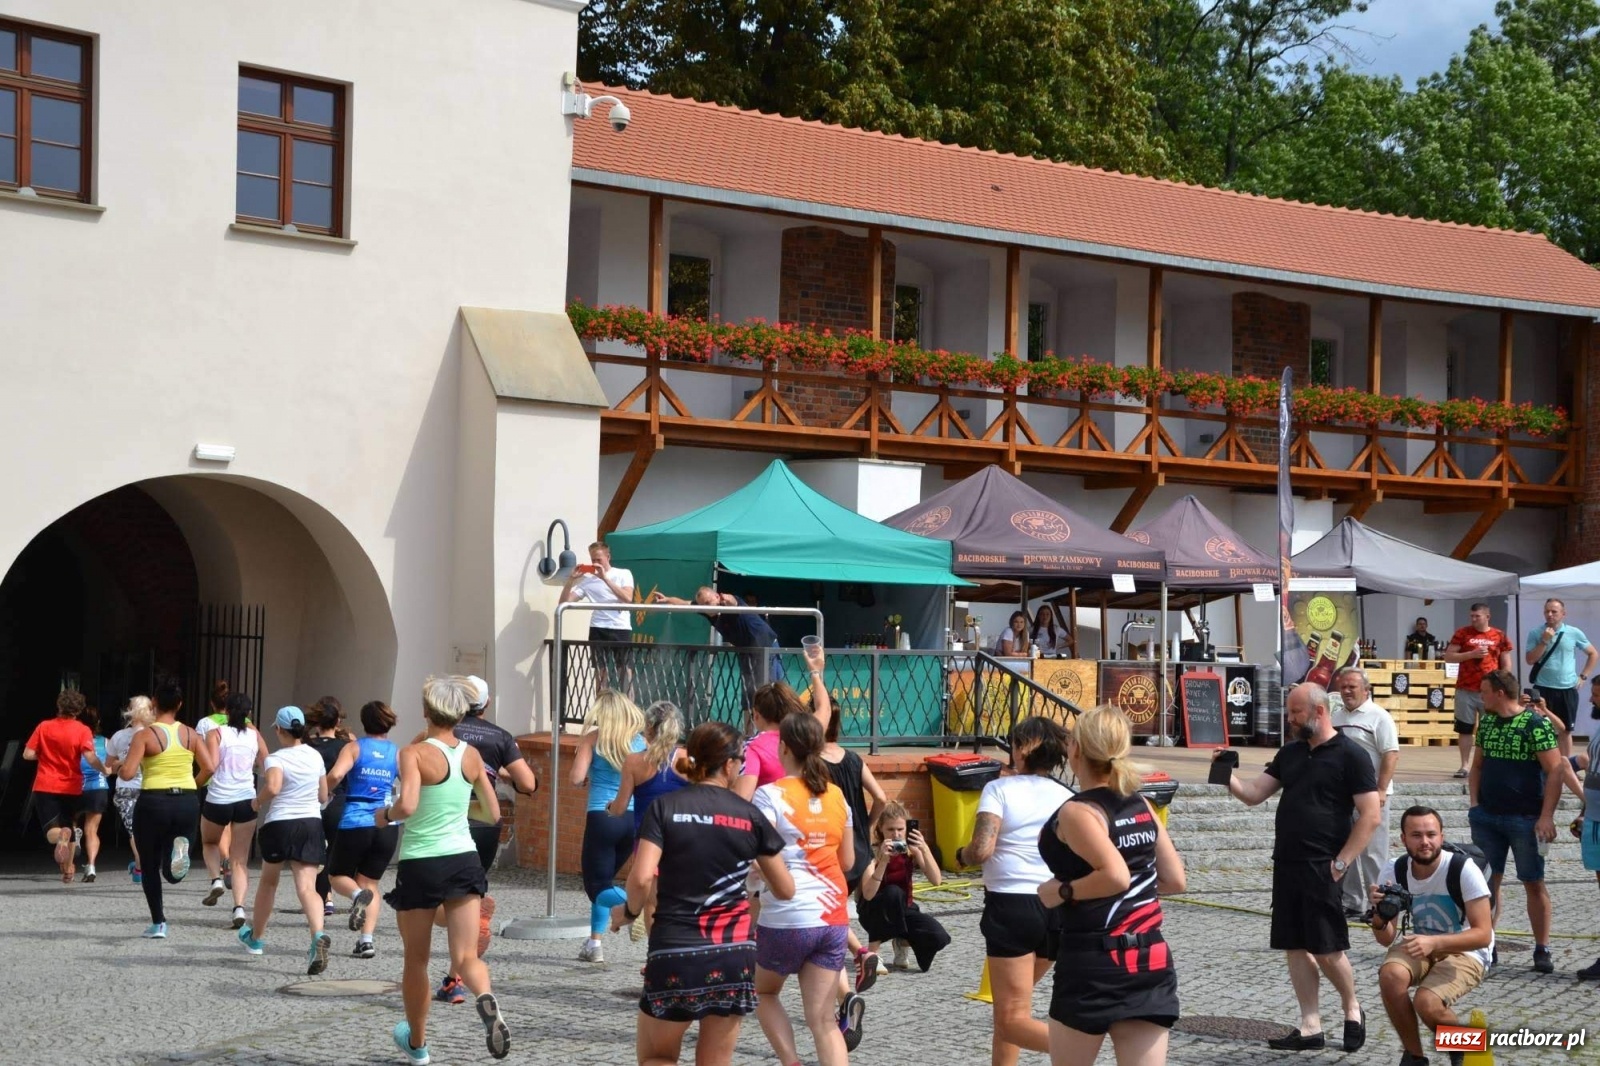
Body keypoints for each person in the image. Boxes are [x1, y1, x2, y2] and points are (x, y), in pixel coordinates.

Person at [607, 721, 795, 1066]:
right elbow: (785, 888)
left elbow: (642, 877)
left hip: (675, 949)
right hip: (732, 953)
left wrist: (630, 913)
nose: (741, 768)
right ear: (729, 764)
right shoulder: (751, 815)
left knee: (657, 1056)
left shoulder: (664, 808)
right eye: (741, 761)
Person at [1214, 682, 1379, 1052]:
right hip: (1287, 861)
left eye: (1295, 712)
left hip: (1324, 864)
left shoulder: (1351, 755)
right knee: (1295, 945)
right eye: (1289, 712)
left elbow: (1370, 815)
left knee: (1327, 947)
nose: (1289, 719)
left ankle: (1352, 1008)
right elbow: (1254, 794)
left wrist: (1342, 862)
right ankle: (1310, 1026)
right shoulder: (1290, 752)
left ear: (1318, 712)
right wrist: (1226, 776)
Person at [1038, 705, 1185, 1066]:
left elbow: (1115, 875)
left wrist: (1061, 891)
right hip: (1148, 958)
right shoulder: (1140, 803)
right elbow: (1174, 880)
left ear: (1075, 749)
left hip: (1094, 959)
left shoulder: (1079, 811)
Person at [379, 675, 509, 1063]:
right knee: (467, 956)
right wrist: (455, 805)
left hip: (422, 861)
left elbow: (407, 806)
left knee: (416, 960)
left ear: (426, 711)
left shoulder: (413, 754)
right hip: (463, 858)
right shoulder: (471, 755)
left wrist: (384, 816)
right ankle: (485, 998)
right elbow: (493, 813)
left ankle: (418, 1045)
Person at [957, 715, 1073, 1066]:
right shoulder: (1068, 797)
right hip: (1056, 907)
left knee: (1010, 1017)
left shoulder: (999, 790)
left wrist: (960, 856)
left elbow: (981, 850)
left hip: (1011, 906)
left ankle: (1081, 1049)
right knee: (1011, 1014)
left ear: (1022, 749)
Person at [752, 712, 858, 1064]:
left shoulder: (769, 795)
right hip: (832, 917)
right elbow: (847, 862)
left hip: (787, 916)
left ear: (783, 747)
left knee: (764, 992)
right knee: (824, 1021)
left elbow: (757, 855)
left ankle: (791, 1062)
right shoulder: (837, 796)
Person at [433, 675, 538, 1002]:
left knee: (436, 900)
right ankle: (455, 979)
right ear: (486, 703)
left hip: (446, 820)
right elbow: (528, 783)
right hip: (484, 824)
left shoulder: (440, 730)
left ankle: (465, 928)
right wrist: (498, 771)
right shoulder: (500, 736)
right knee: (465, 897)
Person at [1370, 806, 1494, 1066]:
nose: (1425, 842)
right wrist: (1379, 915)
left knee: (1427, 1003)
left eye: (1431, 834)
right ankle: (1414, 1056)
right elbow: (1385, 938)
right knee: (1391, 976)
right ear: (1403, 839)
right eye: (1416, 835)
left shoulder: (1463, 869)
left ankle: (1466, 1046)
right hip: (1421, 944)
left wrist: (1434, 942)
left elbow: (1483, 935)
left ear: (1441, 836)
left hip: (1466, 948)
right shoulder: (1395, 869)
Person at [1467, 668, 1564, 974]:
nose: (1481, 697)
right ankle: (1487, 942)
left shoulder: (1535, 723)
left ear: (1499, 693)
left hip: (1526, 818)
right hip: (1487, 816)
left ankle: (1542, 947)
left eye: (1484, 692)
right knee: (1486, 882)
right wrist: (1474, 804)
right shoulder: (1487, 722)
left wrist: (1546, 816)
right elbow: (1477, 765)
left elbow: (1555, 770)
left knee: (1533, 881)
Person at [238, 707, 333, 974]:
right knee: (308, 887)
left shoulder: (275, 759)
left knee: (269, 883)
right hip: (310, 824)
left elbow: (274, 787)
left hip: (280, 824)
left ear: (279, 729)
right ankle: (317, 935)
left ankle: (256, 939)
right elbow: (323, 796)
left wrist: (257, 801)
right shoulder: (315, 756)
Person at [117, 681, 216, 938]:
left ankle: (159, 923)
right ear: (179, 704)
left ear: (154, 703)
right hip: (186, 801)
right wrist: (191, 786)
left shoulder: (144, 735)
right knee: (172, 872)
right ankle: (176, 858)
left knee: (149, 864)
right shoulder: (191, 734)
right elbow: (209, 768)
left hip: (154, 800)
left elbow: (128, 773)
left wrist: (119, 766)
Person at [571, 690, 647, 964]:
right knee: (605, 881)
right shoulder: (640, 742)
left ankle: (637, 909)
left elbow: (576, 778)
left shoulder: (593, 739)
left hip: (602, 816)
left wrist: (585, 776)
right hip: (633, 819)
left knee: (596, 886)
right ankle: (594, 944)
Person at [325, 700, 402, 959]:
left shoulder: (354, 747)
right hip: (386, 824)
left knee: (336, 876)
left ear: (363, 722)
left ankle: (357, 895)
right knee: (371, 884)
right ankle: (366, 941)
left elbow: (336, 775)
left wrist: (323, 790)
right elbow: (411, 784)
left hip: (356, 821)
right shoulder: (396, 752)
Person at [821, 688, 888, 983]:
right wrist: (867, 824)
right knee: (865, 900)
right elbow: (881, 797)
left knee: (829, 907)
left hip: (834, 844)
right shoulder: (853, 758)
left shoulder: (813, 762)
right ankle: (869, 951)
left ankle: (859, 953)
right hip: (860, 843)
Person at [607, 699, 689, 941]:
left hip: (647, 839)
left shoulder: (634, 762)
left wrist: (609, 807)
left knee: (653, 901)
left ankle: (656, 953)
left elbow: (620, 808)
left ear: (649, 728)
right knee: (680, 898)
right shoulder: (688, 760)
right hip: (683, 837)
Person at [1331, 667, 1400, 917]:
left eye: (1352, 687)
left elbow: (1391, 754)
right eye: (1343, 687)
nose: (1347, 691)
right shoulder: (1336, 717)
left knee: (1373, 852)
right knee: (1346, 848)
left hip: (1372, 795)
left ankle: (1378, 905)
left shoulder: (1380, 717)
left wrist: (1381, 789)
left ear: (1366, 690)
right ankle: (1352, 902)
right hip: (1343, 795)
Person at [24, 689, 109, 883]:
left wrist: (45, 756)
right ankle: (69, 869)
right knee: (69, 826)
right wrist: (103, 769)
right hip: (71, 786)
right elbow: (90, 757)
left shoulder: (44, 726)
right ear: (78, 710)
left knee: (51, 831)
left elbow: (27, 754)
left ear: (59, 706)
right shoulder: (82, 730)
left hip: (45, 785)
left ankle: (60, 838)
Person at [651, 586, 785, 704]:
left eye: (708, 603)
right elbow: (684, 603)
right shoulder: (707, 610)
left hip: (766, 647)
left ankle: (777, 724)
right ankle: (751, 725)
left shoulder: (731, 602)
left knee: (770, 693)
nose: (706, 608)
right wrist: (666, 599)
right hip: (747, 651)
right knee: (750, 696)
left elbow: (733, 601)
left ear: (717, 596)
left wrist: (727, 599)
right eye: (702, 606)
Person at [857, 800, 948, 973]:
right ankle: (873, 954)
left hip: (903, 907)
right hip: (874, 909)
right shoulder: (873, 852)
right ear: (881, 829)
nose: (896, 834)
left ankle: (902, 941)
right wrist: (883, 861)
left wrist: (924, 849)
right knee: (893, 893)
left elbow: (936, 880)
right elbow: (868, 894)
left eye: (900, 829)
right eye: (890, 829)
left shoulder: (910, 850)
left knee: (938, 936)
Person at [200, 693, 267, 927]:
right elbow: (266, 764)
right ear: (249, 713)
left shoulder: (215, 733)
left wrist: (194, 783)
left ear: (226, 711)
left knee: (209, 842)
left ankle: (216, 880)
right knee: (240, 861)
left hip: (219, 798)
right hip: (246, 799)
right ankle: (239, 908)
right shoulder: (255, 735)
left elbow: (211, 766)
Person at [1443, 603, 1514, 778]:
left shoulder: (1499, 635)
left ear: (1487, 617)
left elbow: (1506, 662)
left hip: (1489, 691)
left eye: (1477, 616)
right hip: (1465, 688)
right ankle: (1464, 766)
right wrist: (1471, 654)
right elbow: (1448, 657)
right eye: (1472, 616)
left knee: (1489, 728)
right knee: (1465, 728)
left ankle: (1487, 764)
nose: (1474, 619)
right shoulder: (1463, 633)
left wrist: (1503, 684)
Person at [1525, 597, 1597, 758]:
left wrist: (1583, 676)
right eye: (1547, 611)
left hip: (1567, 688)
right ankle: (1542, 764)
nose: (1550, 614)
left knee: (1566, 730)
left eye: (1554, 611)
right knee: (1539, 728)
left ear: (1563, 614)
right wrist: (1544, 641)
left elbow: (1593, 654)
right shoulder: (1536, 632)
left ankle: (1565, 764)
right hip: (1542, 687)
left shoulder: (1573, 632)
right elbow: (1530, 660)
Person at [562, 539, 636, 694]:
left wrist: (605, 579)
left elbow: (627, 598)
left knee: (624, 670)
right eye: (593, 560)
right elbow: (564, 603)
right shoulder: (587, 581)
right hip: (598, 627)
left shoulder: (623, 573)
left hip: (620, 627)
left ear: (608, 557)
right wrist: (571, 580)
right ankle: (602, 706)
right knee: (601, 672)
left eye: (599, 560)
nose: (595, 563)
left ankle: (629, 707)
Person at [305, 697, 352, 918]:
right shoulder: (346, 747)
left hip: (310, 802)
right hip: (338, 801)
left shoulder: (307, 745)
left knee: (313, 853)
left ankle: (318, 897)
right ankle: (329, 896)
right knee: (333, 851)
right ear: (337, 721)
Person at [107, 696, 155, 884]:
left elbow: (109, 768)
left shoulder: (118, 736)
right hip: (149, 787)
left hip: (125, 788)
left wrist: (122, 763)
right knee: (149, 829)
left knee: (134, 830)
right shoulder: (155, 735)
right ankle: (142, 863)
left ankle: (139, 865)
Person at [1577, 678, 1600, 981]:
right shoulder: (1598, 729)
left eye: (1597, 696)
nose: (1592, 700)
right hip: (1594, 819)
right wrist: (1584, 812)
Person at [76, 705, 111, 882]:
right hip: (98, 787)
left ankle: (74, 837)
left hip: (75, 786)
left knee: (69, 823)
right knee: (91, 830)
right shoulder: (106, 742)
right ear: (98, 722)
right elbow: (112, 764)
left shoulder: (74, 740)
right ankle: (91, 866)